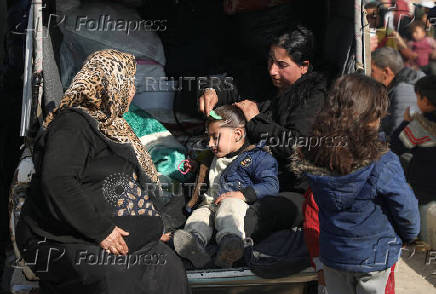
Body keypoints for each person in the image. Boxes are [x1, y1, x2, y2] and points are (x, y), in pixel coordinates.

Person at [15, 49, 189, 294]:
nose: (132, 92)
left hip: (125, 242)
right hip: (66, 237)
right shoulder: (73, 124)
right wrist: (101, 231)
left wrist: (150, 223)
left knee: (168, 268)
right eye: (128, 84)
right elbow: (58, 181)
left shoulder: (113, 125)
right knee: (114, 277)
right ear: (109, 84)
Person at [292, 73, 420, 294]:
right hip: (374, 256)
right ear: (370, 118)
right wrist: (409, 235)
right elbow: (405, 206)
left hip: (333, 254)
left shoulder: (317, 156)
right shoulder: (383, 160)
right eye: (378, 116)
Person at [198, 26, 327, 242]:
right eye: (270, 61)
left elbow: (296, 145)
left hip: (289, 189)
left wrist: (257, 120)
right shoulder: (264, 80)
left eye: (282, 65)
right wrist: (213, 91)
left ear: (304, 67)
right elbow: (233, 85)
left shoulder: (313, 98)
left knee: (250, 216)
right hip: (242, 176)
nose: (272, 71)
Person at [172, 105, 279, 268]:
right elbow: (202, 164)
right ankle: (194, 244)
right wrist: (194, 165)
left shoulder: (256, 157)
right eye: (209, 137)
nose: (210, 143)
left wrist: (242, 195)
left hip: (234, 204)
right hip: (209, 206)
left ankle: (231, 244)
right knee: (199, 217)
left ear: (238, 134)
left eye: (215, 137)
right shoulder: (209, 157)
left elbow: (271, 185)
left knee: (230, 207)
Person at [390, 76, 436, 247]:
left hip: (424, 187)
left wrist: (406, 122)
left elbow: (397, 145)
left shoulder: (420, 125)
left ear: (424, 99)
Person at [371, 47, 425, 138]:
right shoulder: (397, 88)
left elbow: (401, 137)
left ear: (386, 71)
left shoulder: (403, 90)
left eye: (372, 70)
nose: (370, 75)